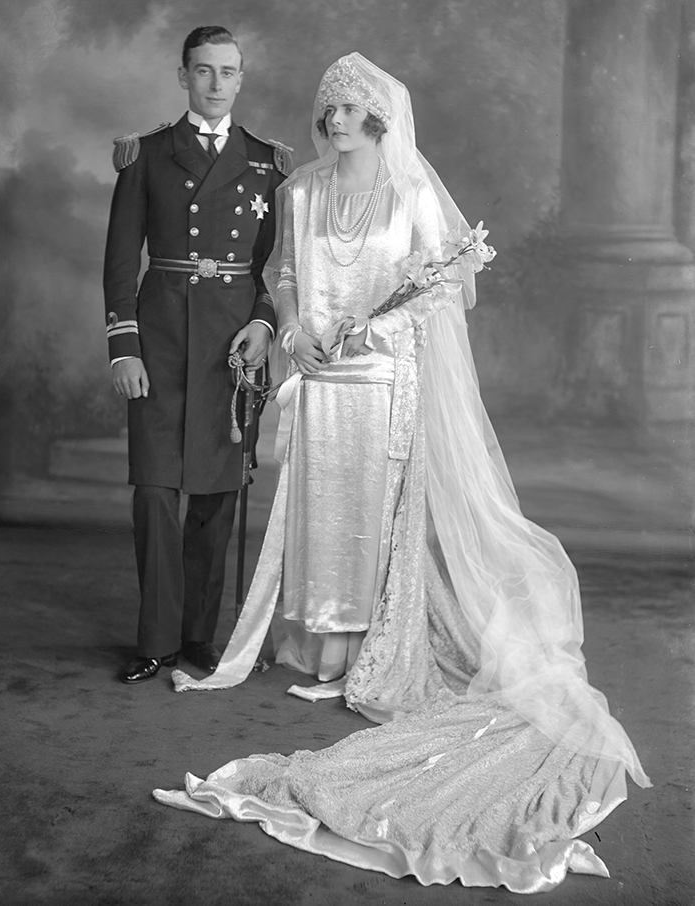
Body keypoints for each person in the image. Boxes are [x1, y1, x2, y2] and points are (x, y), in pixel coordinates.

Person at [153, 54, 650, 892]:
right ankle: (315, 647)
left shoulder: (413, 195)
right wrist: (296, 326)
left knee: (375, 517)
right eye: (328, 109)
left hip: (385, 379)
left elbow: (437, 292)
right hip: (319, 377)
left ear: (381, 120)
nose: (335, 120)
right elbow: (279, 277)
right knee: (315, 511)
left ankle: (372, 651)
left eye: (350, 110)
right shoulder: (300, 191)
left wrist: (373, 332)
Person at [103, 26, 290, 684]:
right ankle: (153, 640)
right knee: (154, 494)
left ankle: (197, 640)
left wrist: (265, 325)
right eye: (203, 70)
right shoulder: (148, 155)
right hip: (159, 343)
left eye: (228, 71)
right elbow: (122, 262)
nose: (215, 83)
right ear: (182, 75)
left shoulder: (269, 162)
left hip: (229, 349)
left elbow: (277, 269)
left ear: (241, 79)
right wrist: (122, 347)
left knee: (214, 500)